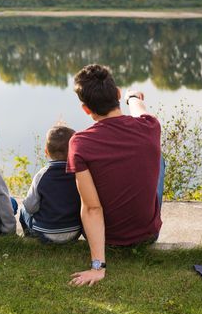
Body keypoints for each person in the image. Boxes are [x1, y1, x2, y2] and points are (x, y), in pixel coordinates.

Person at [66, 64, 165, 286]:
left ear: (85, 109)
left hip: (108, 238)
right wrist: (133, 97)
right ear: (117, 94)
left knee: (84, 175)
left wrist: (97, 266)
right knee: (159, 159)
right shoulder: (150, 126)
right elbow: (139, 108)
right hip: (147, 235)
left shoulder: (80, 142)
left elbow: (92, 208)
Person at [19, 125, 82, 243]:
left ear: (46, 152)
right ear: (74, 151)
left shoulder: (41, 175)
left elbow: (30, 207)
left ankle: (29, 238)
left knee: (24, 209)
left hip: (45, 234)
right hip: (74, 231)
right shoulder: (79, 174)